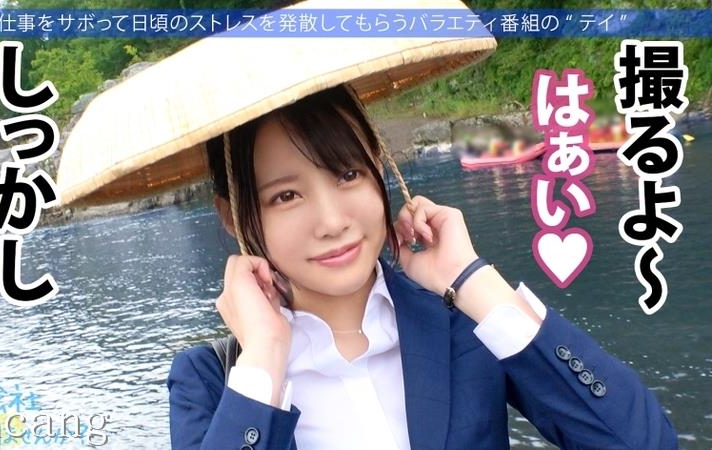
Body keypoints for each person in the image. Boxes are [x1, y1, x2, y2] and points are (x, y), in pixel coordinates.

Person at [166, 84, 679, 449]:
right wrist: (264, 357)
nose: (332, 221)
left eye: (347, 174)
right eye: (286, 196)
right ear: (233, 215)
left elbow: (642, 441)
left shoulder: (462, 323)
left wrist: (471, 279)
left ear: (378, 164)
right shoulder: (212, 383)